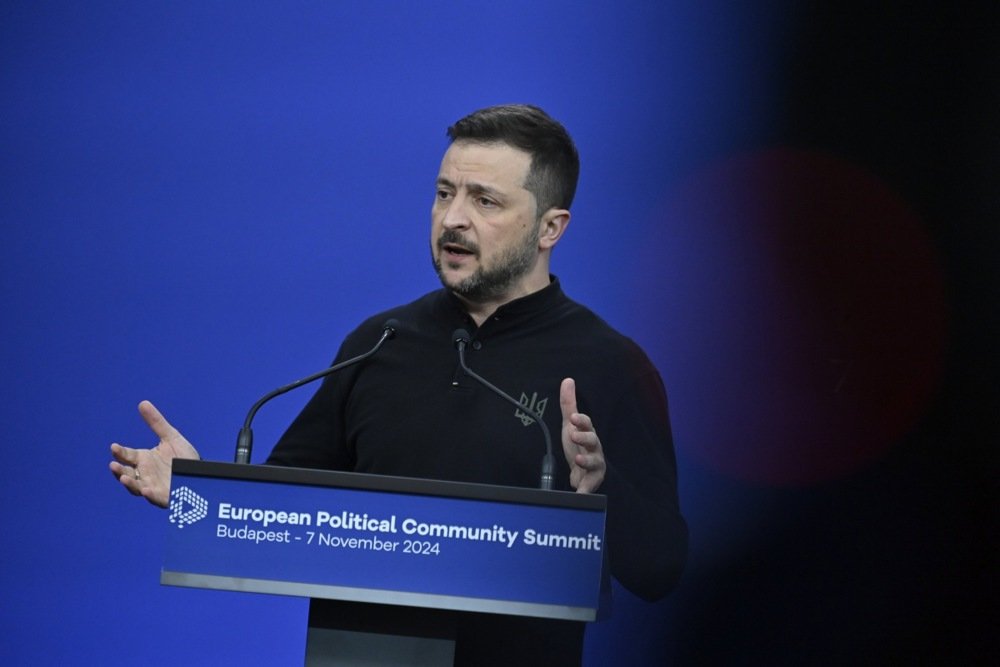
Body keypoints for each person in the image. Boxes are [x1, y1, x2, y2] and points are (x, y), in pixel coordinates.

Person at [110, 104, 687, 665]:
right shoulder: (380, 342)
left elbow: (661, 570)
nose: (453, 218)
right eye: (444, 193)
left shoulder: (610, 365)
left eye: (484, 200)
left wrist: (601, 493)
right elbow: (282, 512)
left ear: (550, 227)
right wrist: (199, 496)